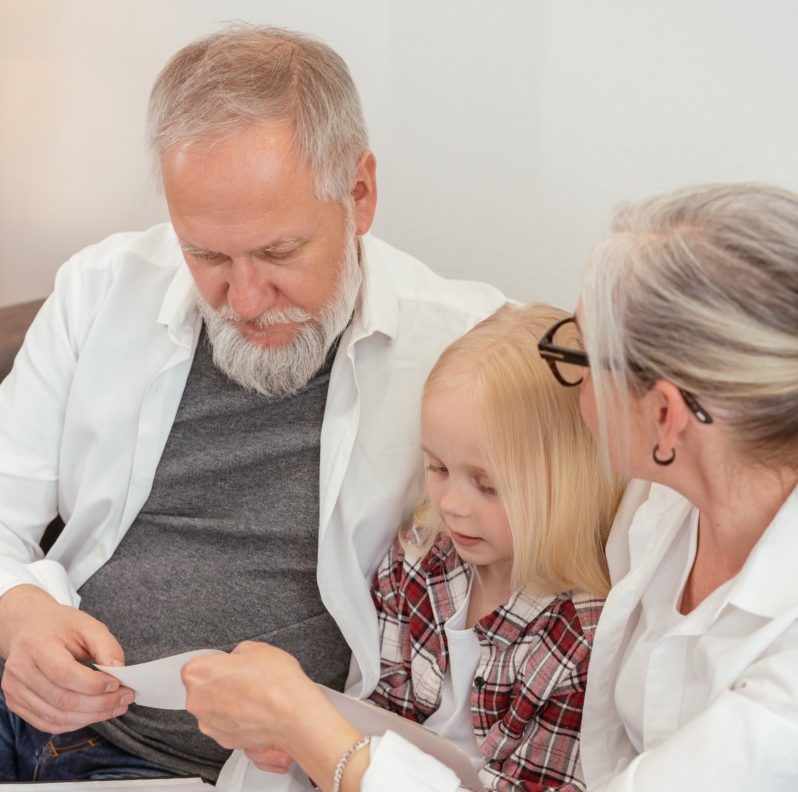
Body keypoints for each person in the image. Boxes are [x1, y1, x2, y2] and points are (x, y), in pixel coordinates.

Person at [0, 25, 506, 783]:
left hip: (187, 768)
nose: (243, 299)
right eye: (205, 254)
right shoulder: (101, 288)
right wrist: (20, 614)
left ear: (359, 194)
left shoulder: (468, 353)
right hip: (21, 704)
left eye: (277, 253)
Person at [182, 303, 625, 791]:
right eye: (438, 468)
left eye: (488, 485)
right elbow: (379, 712)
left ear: (569, 485)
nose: (452, 504)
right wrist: (298, 741)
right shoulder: (420, 560)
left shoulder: (582, 635)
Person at [537, 183, 798, 789]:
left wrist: (333, 743)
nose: (575, 381)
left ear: (664, 415)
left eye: (584, 356)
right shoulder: (665, 503)